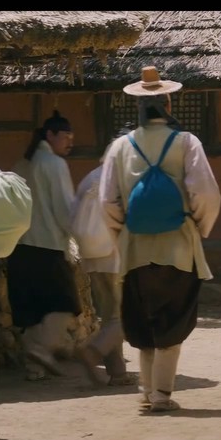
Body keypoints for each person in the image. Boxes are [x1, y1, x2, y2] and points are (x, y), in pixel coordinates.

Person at [100, 66, 221, 412]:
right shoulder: (186, 142)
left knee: (142, 320)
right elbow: (206, 194)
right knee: (173, 318)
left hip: (134, 249)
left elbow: (106, 201)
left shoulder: (120, 147)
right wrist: (198, 227)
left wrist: (122, 233)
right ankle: (162, 394)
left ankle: (148, 391)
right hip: (178, 247)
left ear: (137, 107)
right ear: (168, 104)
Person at [8, 110, 81, 381]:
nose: (70, 141)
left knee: (31, 311)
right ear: (50, 135)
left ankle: (34, 367)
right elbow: (65, 210)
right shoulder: (54, 164)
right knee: (64, 304)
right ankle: (40, 352)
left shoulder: (22, 164)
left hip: (19, 248)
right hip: (47, 247)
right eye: (66, 136)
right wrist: (77, 237)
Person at [72, 125, 137, 387]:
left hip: (92, 256)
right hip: (116, 255)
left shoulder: (91, 177)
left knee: (110, 316)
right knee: (131, 315)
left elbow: (73, 216)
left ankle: (118, 373)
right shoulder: (122, 179)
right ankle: (92, 351)